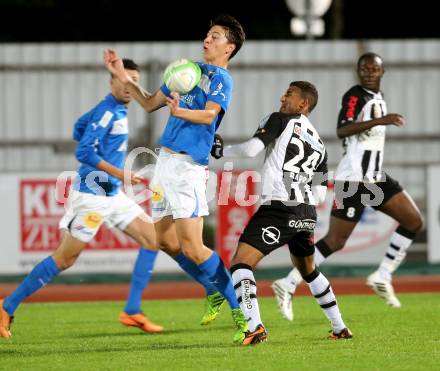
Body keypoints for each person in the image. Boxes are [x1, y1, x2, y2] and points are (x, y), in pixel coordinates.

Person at [0, 59, 172, 339]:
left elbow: (78, 128)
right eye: (124, 79)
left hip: (112, 194)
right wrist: (121, 173)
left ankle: (132, 309)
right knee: (65, 259)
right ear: (112, 81)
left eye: (135, 81)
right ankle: (7, 306)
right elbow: (83, 151)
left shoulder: (114, 109)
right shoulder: (107, 112)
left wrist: (113, 170)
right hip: (91, 198)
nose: (130, 86)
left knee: (153, 239)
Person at [104, 14, 249, 344]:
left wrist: (180, 111)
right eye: (207, 34)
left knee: (195, 248)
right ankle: (212, 289)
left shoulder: (221, 80)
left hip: (187, 169)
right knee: (166, 242)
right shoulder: (188, 72)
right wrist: (121, 75)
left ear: (230, 47)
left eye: (215, 36)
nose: (207, 39)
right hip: (164, 165)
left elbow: (210, 114)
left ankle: (243, 313)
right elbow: (149, 101)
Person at [272, 53, 424, 321]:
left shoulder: (377, 96)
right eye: (364, 68)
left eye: (373, 68)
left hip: (374, 177)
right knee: (336, 240)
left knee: (413, 220)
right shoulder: (356, 95)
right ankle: (289, 282)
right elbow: (343, 129)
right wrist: (382, 120)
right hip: (353, 179)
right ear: (358, 71)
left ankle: (383, 274)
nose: (368, 72)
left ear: (382, 71)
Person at [211, 81, 353, 344]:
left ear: (303, 104)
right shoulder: (320, 144)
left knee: (241, 263)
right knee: (309, 270)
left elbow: (252, 148)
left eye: (289, 94)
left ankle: (254, 327)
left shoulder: (280, 119)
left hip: (279, 208)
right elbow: (321, 194)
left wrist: (221, 150)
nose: (282, 97)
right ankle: (339, 327)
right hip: (307, 212)